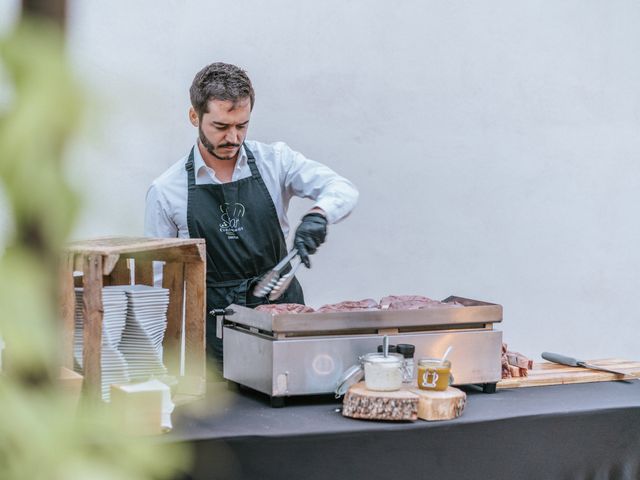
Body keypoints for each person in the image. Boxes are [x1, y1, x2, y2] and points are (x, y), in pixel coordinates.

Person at [144, 62, 358, 369]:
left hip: (282, 320)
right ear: (194, 116)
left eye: (241, 125)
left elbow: (342, 188)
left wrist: (319, 215)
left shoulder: (276, 162)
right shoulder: (167, 191)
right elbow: (157, 287)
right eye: (220, 127)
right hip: (215, 332)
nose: (233, 137)